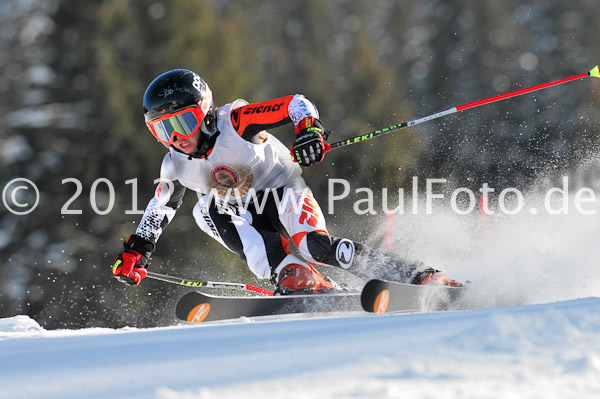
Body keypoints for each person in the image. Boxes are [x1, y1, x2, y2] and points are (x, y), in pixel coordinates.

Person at [112, 69, 461, 294]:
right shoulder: (175, 164)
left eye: (182, 124)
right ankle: (293, 274)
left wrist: (309, 130)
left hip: (283, 192)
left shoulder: (235, 121)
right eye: (163, 130)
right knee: (207, 210)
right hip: (243, 213)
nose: (177, 138)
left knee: (317, 247)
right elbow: (160, 209)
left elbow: (296, 103)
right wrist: (137, 252)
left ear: (203, 111)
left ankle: (419, 276)